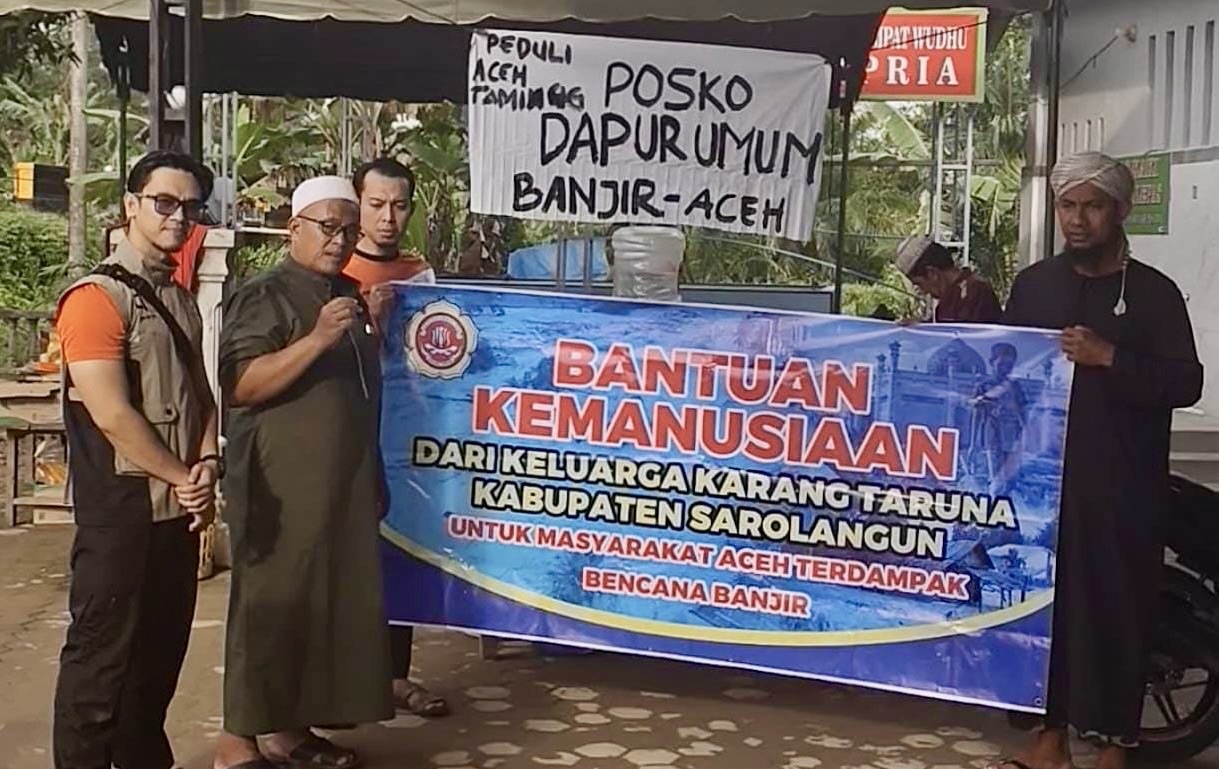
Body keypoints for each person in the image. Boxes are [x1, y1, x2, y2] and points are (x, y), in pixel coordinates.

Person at [996, 152, 1203, 769]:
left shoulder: (1154, 294)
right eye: (1067, 205)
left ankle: (1116, 744)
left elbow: (1186, 381)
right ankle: (1049, 739)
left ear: (1120, 210)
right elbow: (1004, 363)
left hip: (1121, 486)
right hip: (1044, 481)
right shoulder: (1035, 285)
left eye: (1092, 206)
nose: (1077, 219)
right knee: (1046, 613)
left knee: (1115, 610)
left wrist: (1110, 357)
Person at [215, 176, 392, 769]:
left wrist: (374, 473)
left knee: (318, 610)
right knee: (268, 608)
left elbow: (357, 390)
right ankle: (237, 743)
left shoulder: (348, 295)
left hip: (341, 484)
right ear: (294, 229)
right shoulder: (264, 295)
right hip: (279, 485)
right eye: (328, 227)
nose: (339, 240)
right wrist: (317, 339)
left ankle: (288, 732)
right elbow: (240, 385)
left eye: (349, 230)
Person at [52, 150, 220, 769]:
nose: (179, 217)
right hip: (120, 515)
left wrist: (207, 465)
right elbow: (113, 415)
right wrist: (183, 477)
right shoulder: (96, 299)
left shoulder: (179, 297)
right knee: (100, 666)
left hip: (175, 513)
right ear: (132, 206)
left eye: (191, 207)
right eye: (164, 203)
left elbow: (201, 395)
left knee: (158, 663)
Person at [343, 157, 450, 718]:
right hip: (345, 435)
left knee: (399, 549)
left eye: (400, 206)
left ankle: (395, 677)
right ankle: (343, 681)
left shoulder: (419, 273)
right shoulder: (335, 270)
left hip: (406, 437)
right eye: (377, 204)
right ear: (357, 204)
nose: (388, 217)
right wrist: (374, 322)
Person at [894, 235, 1003, 323]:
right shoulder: (949, 298)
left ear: (932, 274)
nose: (924, 291)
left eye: (920, 284)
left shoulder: (976, 291)